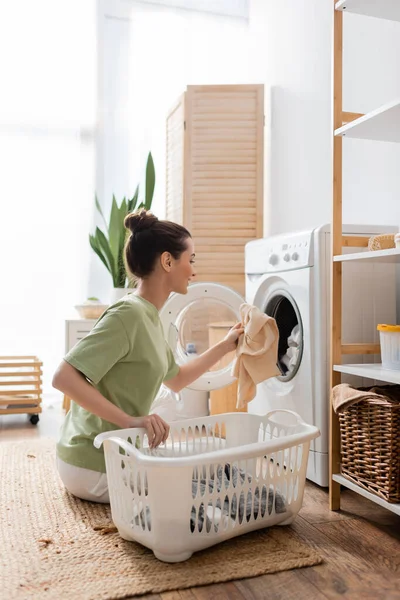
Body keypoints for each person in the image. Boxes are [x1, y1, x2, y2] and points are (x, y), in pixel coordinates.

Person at [53, 209, 244, 503]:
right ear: (167, 261)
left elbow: (177, 379)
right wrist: (130, 421)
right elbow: (63, 377)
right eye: (190, 260)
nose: (194, 271)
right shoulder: (128, 314)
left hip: (118, 450)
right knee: (204, 481)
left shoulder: (150, 316)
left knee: (215, 450)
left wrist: (226, 345)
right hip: (92, 462)